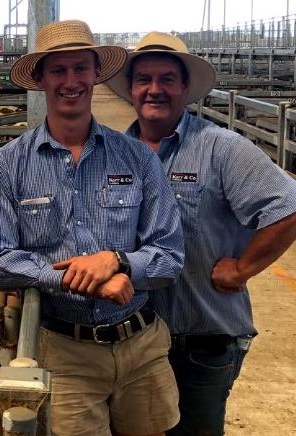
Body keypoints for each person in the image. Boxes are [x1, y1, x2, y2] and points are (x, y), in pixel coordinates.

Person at [0, 20, 185, 436]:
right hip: (66, 353)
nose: (71, 82)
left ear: (96, 74)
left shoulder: (138, 158)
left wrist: (118, 262)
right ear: (40, 79)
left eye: (80, 69)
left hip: (142, 346)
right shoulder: (7, 165)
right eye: (58, 71)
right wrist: (84, 281)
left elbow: (169, 256)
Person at [107, 31, 296, 436]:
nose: (154, 90)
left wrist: (243, 267)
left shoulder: (221, 147)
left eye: (166, 80)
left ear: (185, 87)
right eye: (144, 80)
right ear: (131, 89)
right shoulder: (114, 154)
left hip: (200, 342)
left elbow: (288, 206)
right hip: (133, 344)